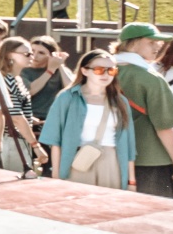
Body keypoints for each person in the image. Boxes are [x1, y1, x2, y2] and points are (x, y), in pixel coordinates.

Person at [111, 23, 173, 197]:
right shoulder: (150, 78)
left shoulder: (102, 72)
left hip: (112, 156)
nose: (158, 46)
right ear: (133, 43)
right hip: (151, 159)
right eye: (151, 42)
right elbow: (165, 126)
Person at [41, 51, 136, 187]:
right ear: (84, 71)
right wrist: (56, 175)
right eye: (99, 70)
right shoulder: (67, 97)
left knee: (108, 200)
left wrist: (131, 181)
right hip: (78, 159)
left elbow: (129, 144)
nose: (105, 74)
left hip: (112, 161)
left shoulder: (120, 101)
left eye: (111, 70)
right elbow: (55, 140)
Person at [0, 36, 40, 167]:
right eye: (27, 54)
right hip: (11, 141)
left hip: (18, 139)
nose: (32, 57)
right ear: (10, 55)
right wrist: (36, 146)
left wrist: (29, 118)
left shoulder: (16, 79)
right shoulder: (7, 79)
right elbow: (15, 117)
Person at [20, 37, 71, 124]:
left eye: (41, 53)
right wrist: (50, 71)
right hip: (31, 119)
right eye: (32, 51)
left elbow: (72, 90)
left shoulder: (59, 71)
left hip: (53, 119)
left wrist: (60, 64)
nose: (34, 55)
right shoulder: (23, 70)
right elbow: (30, 91)